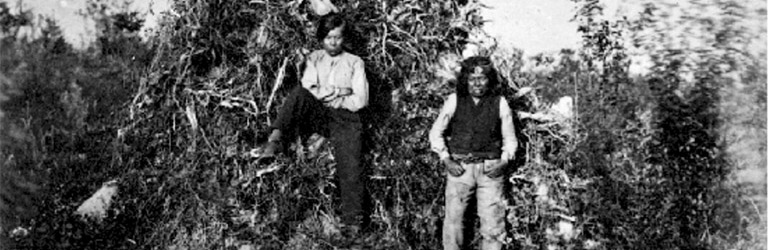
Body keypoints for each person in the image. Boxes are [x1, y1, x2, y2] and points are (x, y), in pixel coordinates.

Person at [251, 13, 369, 239]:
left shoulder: (355, 62)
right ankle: (274, 140)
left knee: (350, 163)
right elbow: (308, 86)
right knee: (298, 95)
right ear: (321, 38)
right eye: (328, 37)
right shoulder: (315, 58)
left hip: (347, 118)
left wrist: (330, 95)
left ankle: (352, 221)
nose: (333, 43)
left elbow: (360, 100)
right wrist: (338, 92)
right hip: (322, 114)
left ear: (344, 38)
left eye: (338, 37)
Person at [429, 56, 518, 250]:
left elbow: (510, 139)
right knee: (453, 224)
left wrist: (504, 161)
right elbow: (436, 133)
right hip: (460, 170)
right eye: (472, 78)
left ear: (490, 80)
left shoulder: (500, 103)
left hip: (491, 171)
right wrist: (446, 159)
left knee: (494, 225)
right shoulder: (454, 101)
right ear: (465, 80)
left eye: (482, 78)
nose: (477, 83)